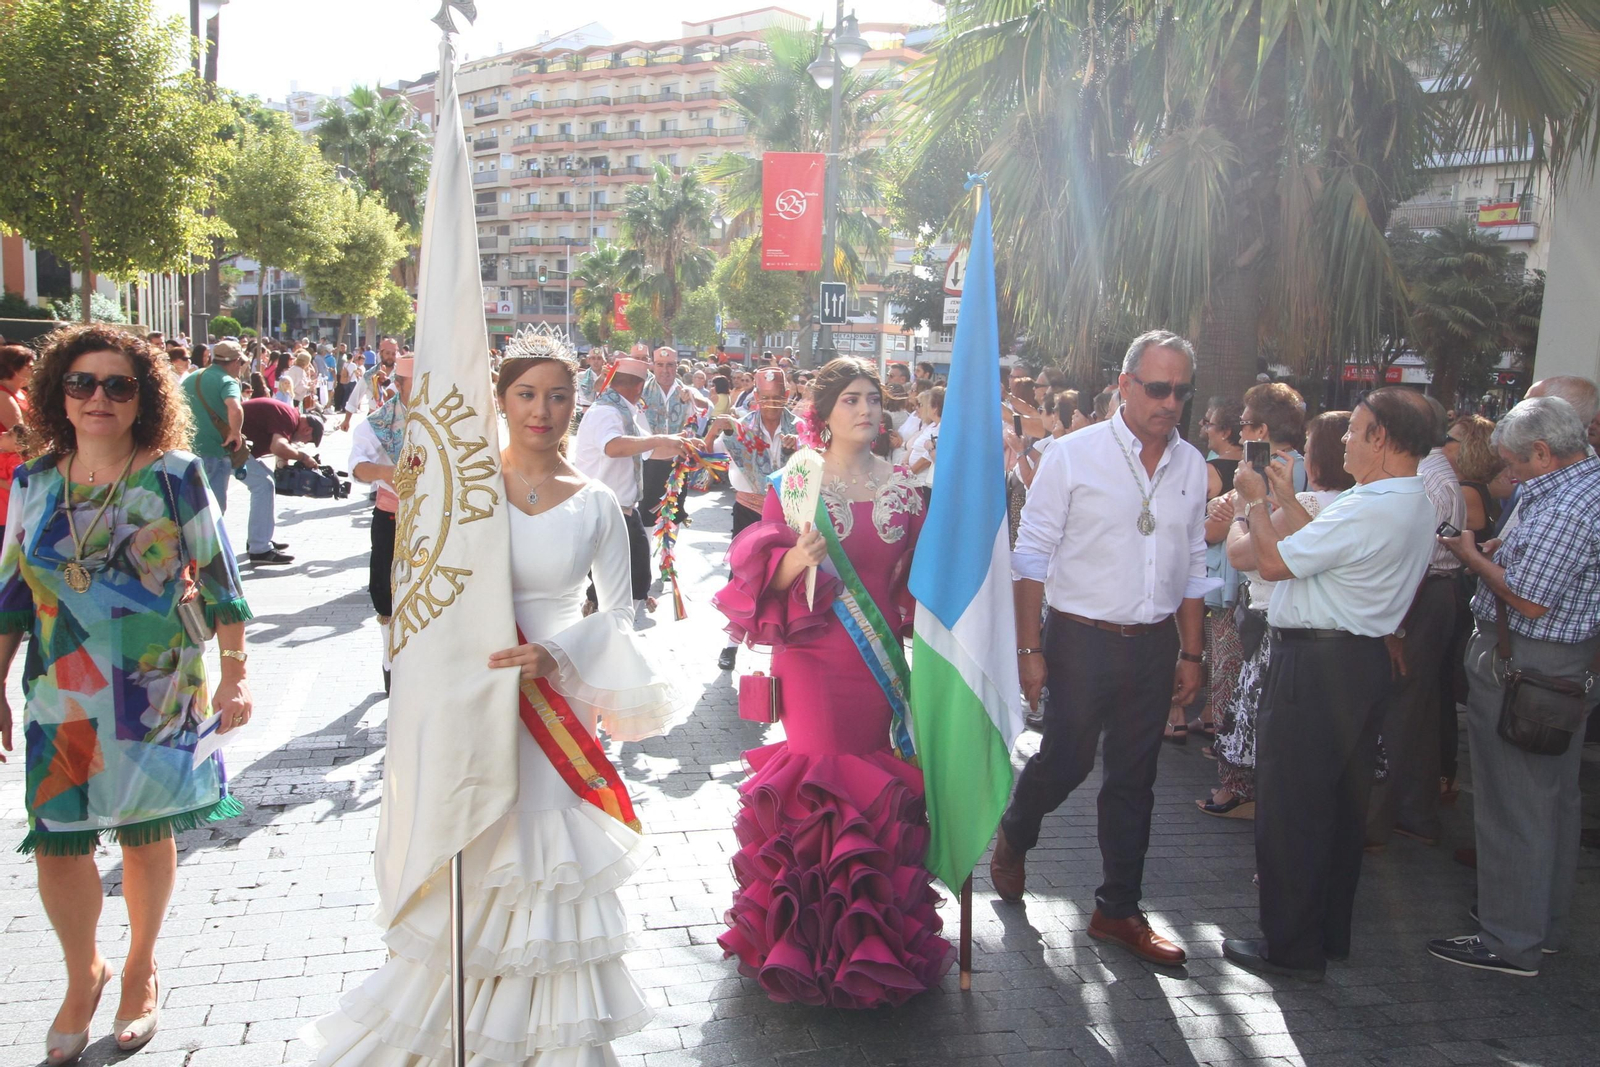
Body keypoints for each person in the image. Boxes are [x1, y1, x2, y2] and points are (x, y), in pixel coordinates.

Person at [311, 340, 683, 1067]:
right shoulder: (462, 489)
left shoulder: (601, 502)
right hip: (471, 697)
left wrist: (560, 655)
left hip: (556, 706)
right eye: (526, 394)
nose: (542, 410)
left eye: (557, 396)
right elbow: (417, 596)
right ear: (501, 399)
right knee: (474, 862)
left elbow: (621, 614)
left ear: (575, 404)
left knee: (542, 872)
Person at [0, 325, 251, 1062]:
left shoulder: (173, 474)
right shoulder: (33, 481)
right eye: (82, 383)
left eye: (119, 384)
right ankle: (85, 973)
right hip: (59, 686)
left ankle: (139, 966)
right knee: (58, 840)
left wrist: (236, 673)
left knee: (146, 832)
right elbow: (12, 591)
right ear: (58, 395)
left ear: (144, 396)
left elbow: (221, 581)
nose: (99, 397)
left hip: (154, 683)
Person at [711, 356, 949, 1006]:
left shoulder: (903, 488)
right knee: (820, 776)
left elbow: (913, 587)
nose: (866, 410)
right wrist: (791, 560)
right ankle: (806, 940)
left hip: (877, 665)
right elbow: (756, 582)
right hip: (813, 657)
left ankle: (871, 940)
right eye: (850, 399)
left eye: (873, 398)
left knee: (870, 780)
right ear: (822, 413)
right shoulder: (795, 482)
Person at [992, 329, 1209, 966]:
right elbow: (1030, 557)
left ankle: (1118, 909)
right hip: (1079, 637)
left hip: (1152, 644)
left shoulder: (1191, 464)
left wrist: (1191, 654)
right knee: (1066, 759)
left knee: (1134, 780)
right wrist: (1029, 650)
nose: (1170, 402)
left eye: (1181, 391)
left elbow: (1194, 562)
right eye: (1158, 387)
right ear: (1125, 385)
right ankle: (1015, 829)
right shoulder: (1072, 455)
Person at [1220, 387, 1437, 981]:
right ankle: (1325, 933)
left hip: (1316, 665)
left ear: (1382, 439)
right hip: (1357, 661)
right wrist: (1286, 494)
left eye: (1354, 428)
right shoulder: (1408, 498)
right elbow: (1328, 547)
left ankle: (1289, 945)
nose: (1343, 438)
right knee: (1339, 808)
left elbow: (1271, 563)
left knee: (1293, 807)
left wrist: (1255, 503)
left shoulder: (1370, 505)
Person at [1426, 397, 1600, 977]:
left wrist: (1472, 555)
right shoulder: (1580, 483)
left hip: (1527, 662)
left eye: (1515, 462)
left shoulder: (1569, 504)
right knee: (1551, 799)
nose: (1509, 473)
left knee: (1514, 803)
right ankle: (1537, 924)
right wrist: (1503, 550)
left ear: (1543, 452)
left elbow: (1529, 598)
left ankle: (1510, 938)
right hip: (1557, 665)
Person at [1200, 411, 1352, 816]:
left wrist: (1239, 512)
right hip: (1330, 641)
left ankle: (1250, 800)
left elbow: (1243, 555)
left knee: (1266, 730)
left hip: (1281, 626)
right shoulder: (1352, 504)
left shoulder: (1311, 502)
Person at [571, 355, 690, 629]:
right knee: (614, 583)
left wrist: (681, 445)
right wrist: (661, 438)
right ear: (638, 387)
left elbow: (648, 450)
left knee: (637, 579)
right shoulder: (606, 412)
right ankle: (600, 632)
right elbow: (613, 446)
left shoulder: (624, 412)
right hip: (604, 511)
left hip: (624, 510)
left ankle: (615, 632)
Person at [703, 368, 796, 672]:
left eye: (777, 398)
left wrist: (803, 449)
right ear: (755, 398)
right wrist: (716, 431)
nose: (771, 404)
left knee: (784, 577)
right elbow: (710, 449)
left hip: (787, 513)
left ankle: (783, 652)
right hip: (749, 509)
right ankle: (731, 645)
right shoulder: (740, 427)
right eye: (765, 398)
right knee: (743, 575)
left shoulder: (801, 429)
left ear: (787, 396)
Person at [348, 357, 413, 694]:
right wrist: (388, 473)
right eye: (414, 386)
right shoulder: (381, 422)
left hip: (438, 520)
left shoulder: (447, 418)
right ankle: (391, 662)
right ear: (398, 385)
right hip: (392, 516)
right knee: (386, 594)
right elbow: (357, 465)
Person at [236, 396, 321, 566]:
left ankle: (258, 539)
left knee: (267, 482)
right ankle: (259, 548)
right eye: (308, 440)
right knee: (264, 485)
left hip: (236, 447)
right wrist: (303, 457)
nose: (303, 442)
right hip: (229, 447)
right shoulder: (288, 417)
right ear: (307, 430)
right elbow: (278, 446)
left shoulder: (288, 416)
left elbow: (280, 448)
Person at [640, 346, 699, 577]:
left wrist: (695, 397)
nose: (665, 370)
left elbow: (703, 409)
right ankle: (644, 561)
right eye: (660, 364)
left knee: (674, 513)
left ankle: (667, 560)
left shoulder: (686, 392)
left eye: (670, 365)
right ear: (653, 365)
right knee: (646, 513)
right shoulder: (642, 391)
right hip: (649, 462)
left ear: (677, 366)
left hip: (677, 465)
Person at [181, 339, 246, 510]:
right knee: (214, 511)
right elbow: (235, 408)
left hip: (187, 452)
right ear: (236, 362)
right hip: (215, 452)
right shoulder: (227, 380)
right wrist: (235, 432)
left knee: (190, 511)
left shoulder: (192, 378)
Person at [0, 344, 35, 533]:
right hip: (7, 466)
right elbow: (23, 435)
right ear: (13, 368)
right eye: (28, 367)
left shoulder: (22, 393)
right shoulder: (3, 396)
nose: (33, 370)